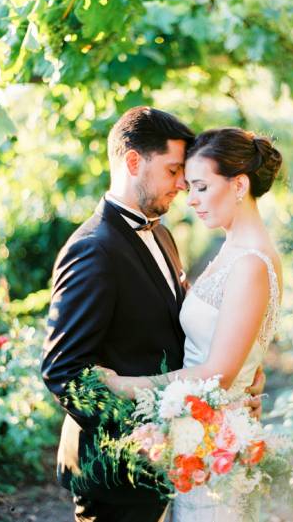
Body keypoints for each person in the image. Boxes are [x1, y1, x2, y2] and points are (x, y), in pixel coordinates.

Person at [41, 107, 265, 522]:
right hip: (117, 469)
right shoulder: (93, 249)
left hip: (174, 458)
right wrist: (144, 432)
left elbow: (179, 333)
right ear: (133, 162)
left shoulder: (161, 230)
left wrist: (231, 392)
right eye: (173, 170)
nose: (183, 184)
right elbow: (63, 372)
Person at [98, 126, 283, 522]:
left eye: (200, 186)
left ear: (238, 185)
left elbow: (217, 372)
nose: (191, 198)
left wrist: (122, 385)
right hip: (200, 436)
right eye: (188, 185)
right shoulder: (231, 248)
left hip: (216, 445)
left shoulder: (250, 262)